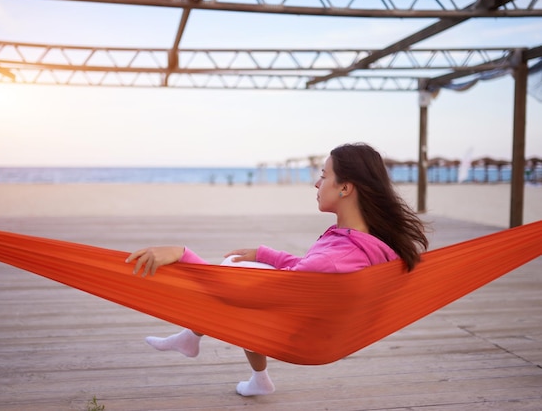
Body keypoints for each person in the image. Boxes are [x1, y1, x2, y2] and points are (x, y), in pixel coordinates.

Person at [126, 142, 428, 396]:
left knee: (232, 274)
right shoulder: (364, 242)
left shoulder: (336, 257)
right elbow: (307, 272)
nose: (316, 183)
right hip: (317, 318)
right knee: (244, 268)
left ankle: (195, 337)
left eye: (323, 176)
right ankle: (240, 368)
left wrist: (182, 254)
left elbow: (255, 290)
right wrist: (265, 253)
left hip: (302, 334)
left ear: (345, 188)